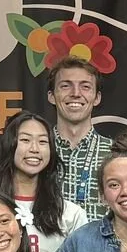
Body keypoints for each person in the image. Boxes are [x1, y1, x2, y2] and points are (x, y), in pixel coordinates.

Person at [0, 110, 89, 252]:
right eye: (25, 140)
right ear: (9, 145)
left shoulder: (72, 215)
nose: (35, 149)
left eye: (43, 142)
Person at [47, 58, 109, 213]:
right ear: (51, 96)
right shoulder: (37, 152)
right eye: (66, 86)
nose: (75, 94)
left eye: (85, 87)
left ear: (97, 98)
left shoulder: (115, 153)